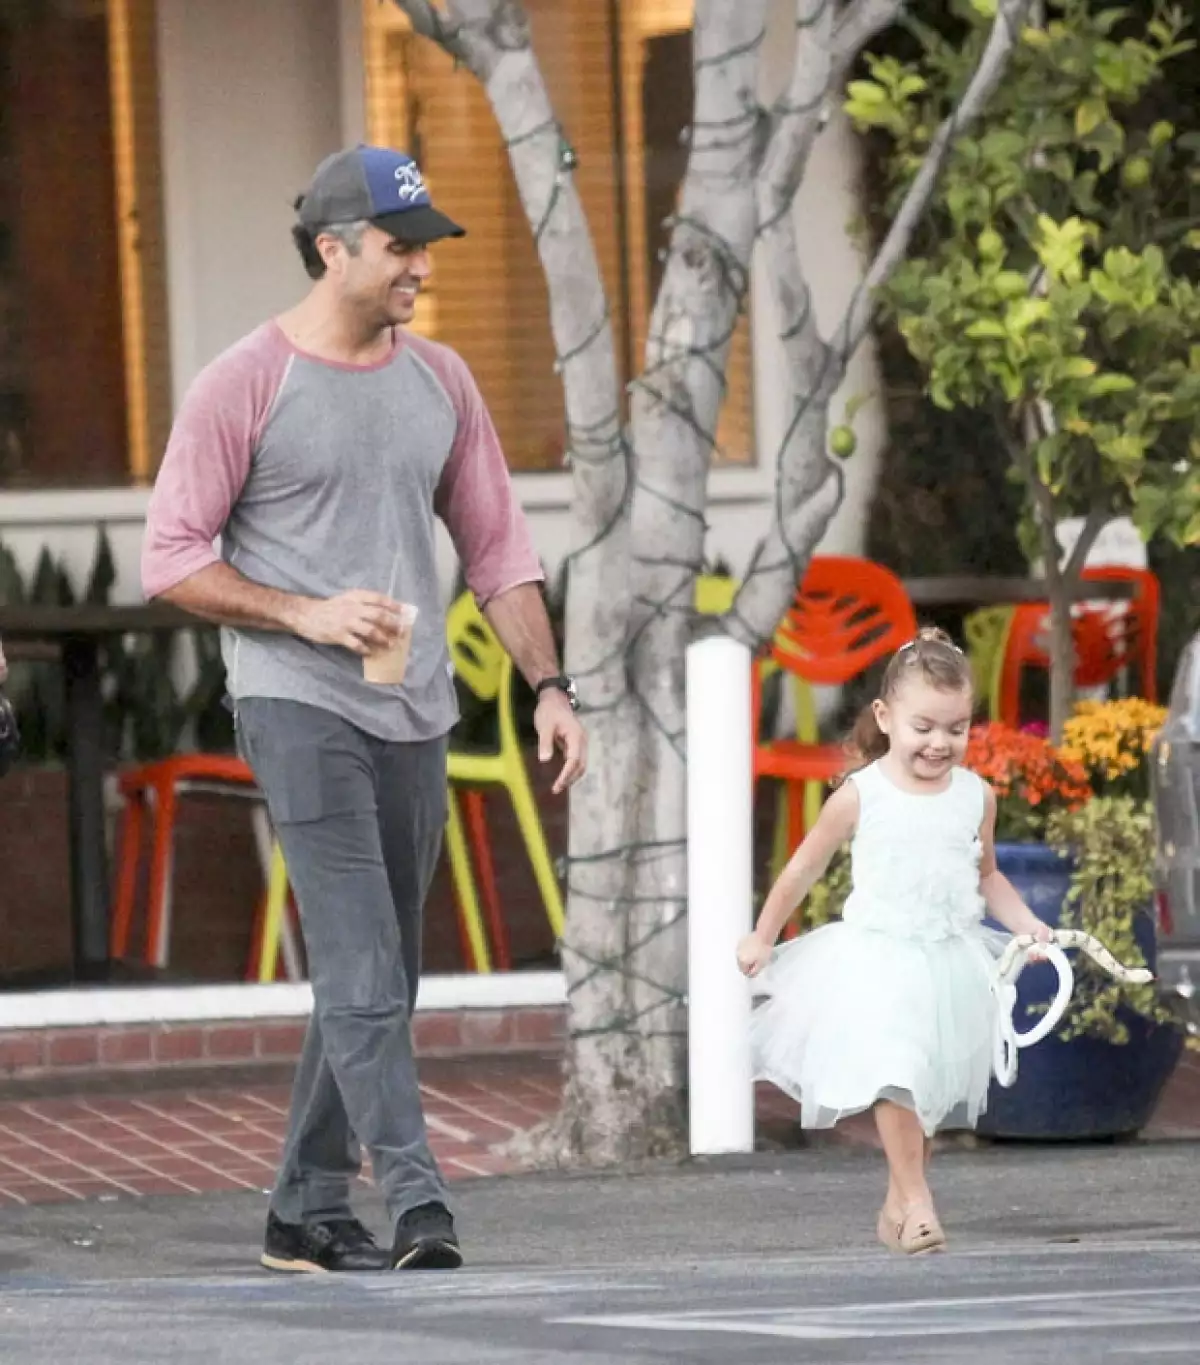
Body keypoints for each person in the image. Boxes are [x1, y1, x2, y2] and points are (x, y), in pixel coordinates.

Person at [141, 144, 587, 1274]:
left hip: (414, 709)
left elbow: (498, 550)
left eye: (425, 247)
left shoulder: (439, 381)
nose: (420, 268)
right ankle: (420, 1200)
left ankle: (301, 1207)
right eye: (401, 246)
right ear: (332, 248)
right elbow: (172, 558)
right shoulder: (244, 382)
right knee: (362, 962)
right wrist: (303, 616)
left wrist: (550, 687)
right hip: (295, 699)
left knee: (380, 971)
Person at [736, 627, 1051, 1255]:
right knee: (894, 1073)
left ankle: (897, 1206)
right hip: (877, 958)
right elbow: (803, 868)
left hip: (949, 959)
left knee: (925, 1091)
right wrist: (763, 935)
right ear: (885, 717)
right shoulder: (862, 794)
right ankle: (919, 1202)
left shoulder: (974, 797)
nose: (940, 744)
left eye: (956, 729)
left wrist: (1028, 926)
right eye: (924, 727)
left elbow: (986, 874)